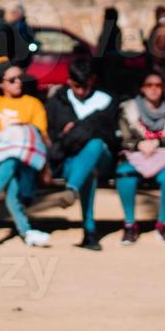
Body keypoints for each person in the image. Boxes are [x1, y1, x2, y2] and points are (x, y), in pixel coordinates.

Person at [0, 55, 52, 247]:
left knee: (14, 158)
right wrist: (3, 60)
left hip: (26, 162)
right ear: (1, 84)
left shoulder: (33, 104)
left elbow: (39, 136)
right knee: (10, 173)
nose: (18, 83)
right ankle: (28, 232)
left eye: (20, 78)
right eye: (12, 79)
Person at [46, 58, 117, 249]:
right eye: (77, 86)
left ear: (92, 80)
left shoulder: (106, 100)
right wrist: (75, 132)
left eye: (85, 86)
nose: (81, 91)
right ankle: (89, 232)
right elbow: (54, 138)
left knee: (95, 144)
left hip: (103, 159)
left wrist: (76, 131)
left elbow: (109, 136)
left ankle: (72, 190)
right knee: (88, 171)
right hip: (69, 162)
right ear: (69, 81)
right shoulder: (57, 103)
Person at [116, 70, 165, 244]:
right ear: (142, 88)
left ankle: (164, 223)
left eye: (158, 85)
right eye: (149, 85)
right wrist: (138, 145)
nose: (154, 89)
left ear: (164, 88)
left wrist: (158, 143)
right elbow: (122, 139)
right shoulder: (128, 110)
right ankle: (130, 224)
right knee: (125, 174)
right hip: (134, 158)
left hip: (163, 159)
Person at [147, 5, 165, 77]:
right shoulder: (159, 27)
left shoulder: (163, 28)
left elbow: (161, 46)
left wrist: (156, 62)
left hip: (159, 63)